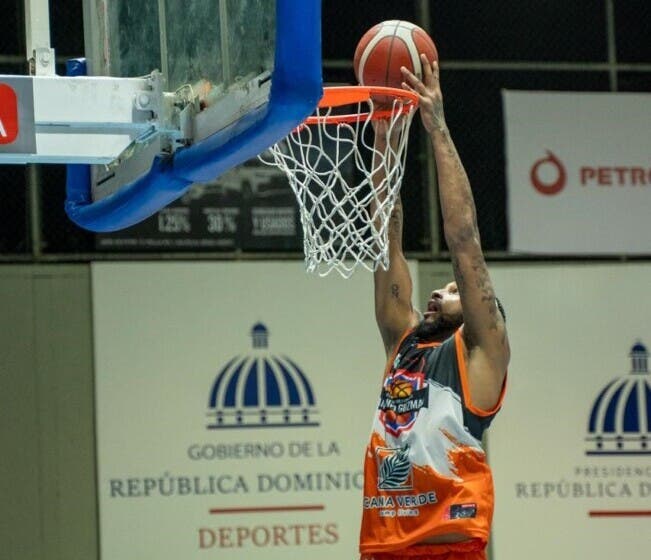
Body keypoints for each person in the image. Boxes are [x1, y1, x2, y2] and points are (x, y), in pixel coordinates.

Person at [359, 54, 510, 560]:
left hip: (449, 546)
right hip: (383, 548)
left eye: (452, 290)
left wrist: (436, 125)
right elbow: (385, 239)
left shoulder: (480, 354)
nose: (438, 293)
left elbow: (464, 239)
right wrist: (385, 140)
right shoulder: (404, 343)